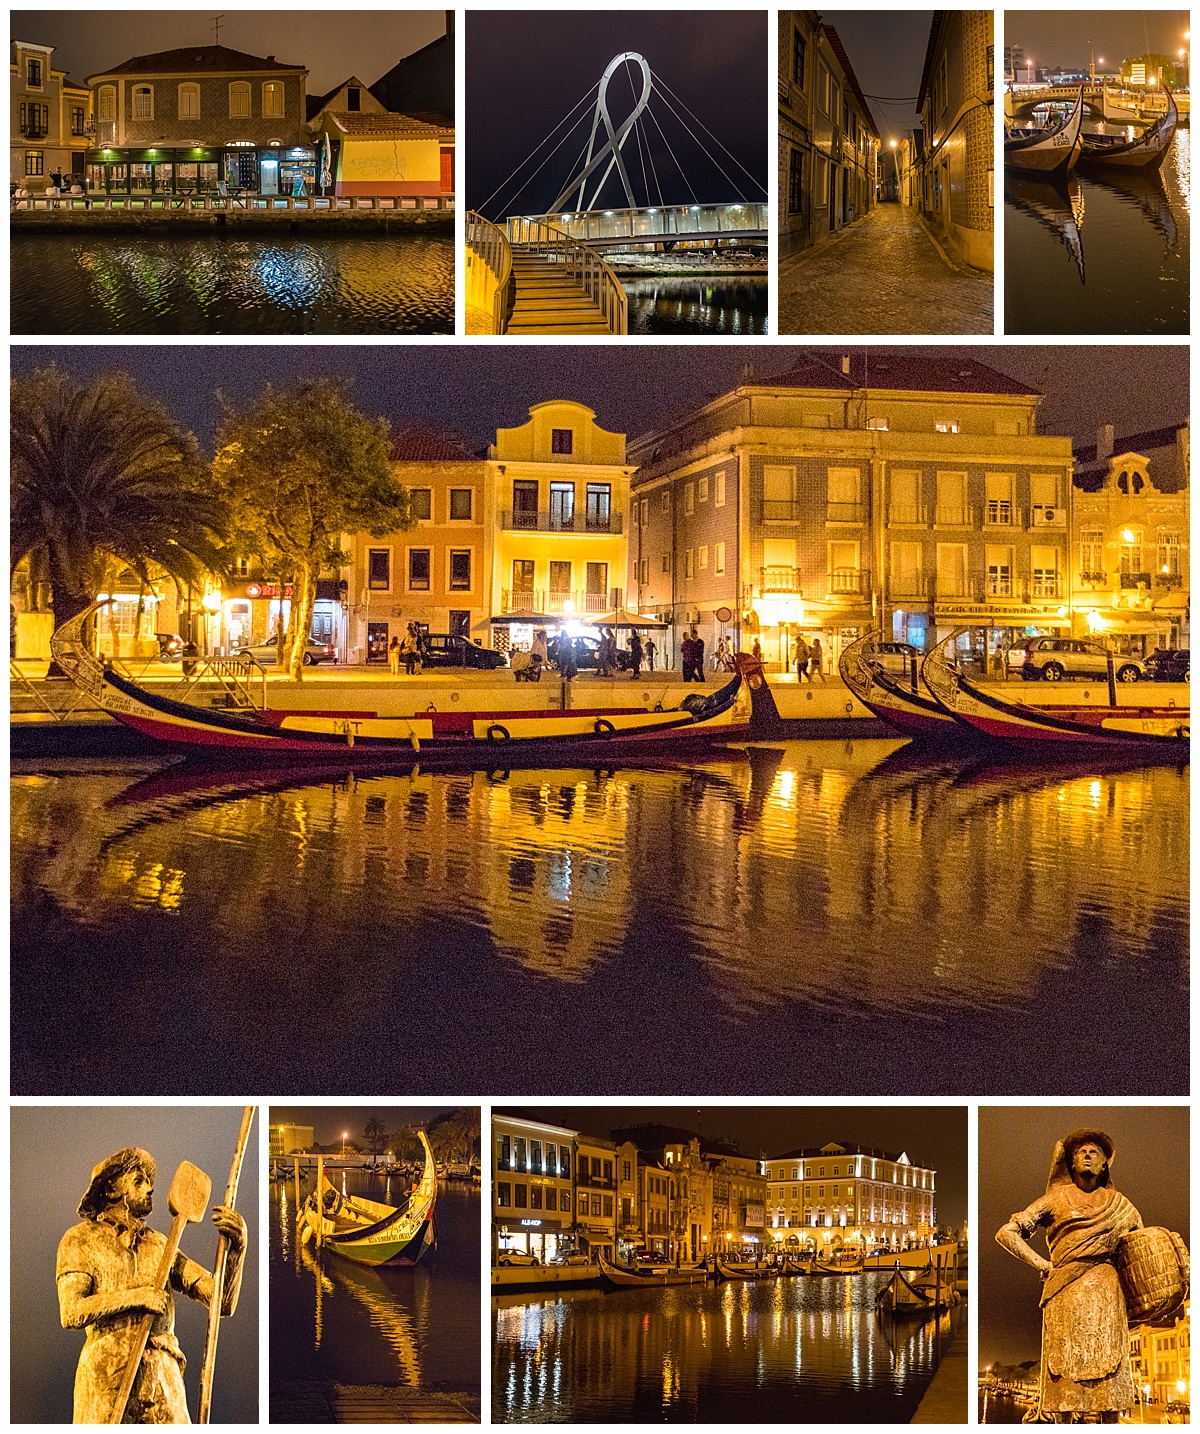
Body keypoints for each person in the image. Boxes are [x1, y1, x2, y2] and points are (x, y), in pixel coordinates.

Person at [57, 1146, 247, 1424]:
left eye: (149, 1182)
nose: (150, 1188)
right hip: (105, 1377)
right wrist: (137, 1297)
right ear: (111, 1190)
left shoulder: (161, 1245)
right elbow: (71, 1312)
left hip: (162, 1378)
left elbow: (221, 1303)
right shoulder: (80, 1240)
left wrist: (238, 1249)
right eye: (138, 1180)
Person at [995, 1128, 1144, 1422]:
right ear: (1071, 1162)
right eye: (1081, 1152)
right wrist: (1043, 1264)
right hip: (1065, 1290)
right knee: (1062, 1371)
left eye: (1095, 1153)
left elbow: (1140, 1248)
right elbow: (1006, 1233)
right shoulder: (1055, 1199)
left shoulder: (1121, 1206)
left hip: (1106, 1292)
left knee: (1109, 1375)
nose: (1088, 1155)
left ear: (1104, 1166)